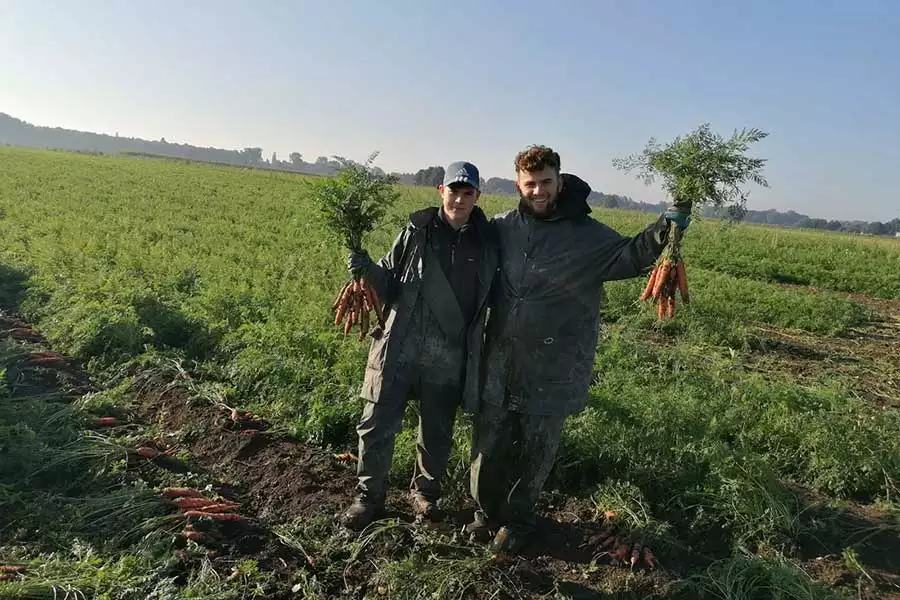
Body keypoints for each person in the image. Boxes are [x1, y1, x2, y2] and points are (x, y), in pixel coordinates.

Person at [466, 145, 691, 554]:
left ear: (560, 181)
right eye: (530, 184)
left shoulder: (587, 235)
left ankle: (518, 522)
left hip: (554, 362)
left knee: (537, 451)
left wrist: (666, 230)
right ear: (518, 183)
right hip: (499, 357)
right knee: (488, 443)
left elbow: (630, 256)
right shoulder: (503, 227)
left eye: (546, 182)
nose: (538, 191)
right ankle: (485, 513)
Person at [340, 161, 500, 530]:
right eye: (453, 191)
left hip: (450, 351)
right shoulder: (416, 232)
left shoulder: (489, 243)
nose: (459, 199)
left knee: (437, 429)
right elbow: (390, 282)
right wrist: (366, 269)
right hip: (400, 343)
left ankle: (425, 492)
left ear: (478, 196)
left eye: (467, 192)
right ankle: (368, 497)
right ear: (440, 191)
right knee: (376, 423)